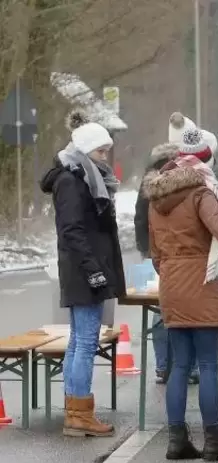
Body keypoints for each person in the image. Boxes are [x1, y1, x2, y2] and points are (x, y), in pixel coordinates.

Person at [144, 128, 218, 461]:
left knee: (179, 364)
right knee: (208, 364)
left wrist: (172, 272)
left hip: (171, 285)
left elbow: (154, 254)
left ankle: (177, 440)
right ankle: (213, 440)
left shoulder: (156, 198)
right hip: (201, 282)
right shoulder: (201, 191)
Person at [40, 110, 126, 437]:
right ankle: (79, 412)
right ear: (85, 150)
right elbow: (72, 231)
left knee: (80, 341)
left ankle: (76, 409)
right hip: (84, 271)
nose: (105, 157)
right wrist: (94, 271)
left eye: (107, 150)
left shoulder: (83, 176)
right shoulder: (72, 181)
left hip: (86, 269)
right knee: (85, 342)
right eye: (101, 151)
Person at [169, 112, 218, 363]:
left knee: (178, 363)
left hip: (172, 273)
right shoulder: (208, 183)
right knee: (208, 365)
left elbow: (153, 232)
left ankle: (163, 364)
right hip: (203, 268)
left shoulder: (162, 182)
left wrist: (162, 265)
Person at [134, 143, 200, 384]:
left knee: (160, 309)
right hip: (183, 255)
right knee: (190, 311)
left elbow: (140, 218)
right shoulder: (187, 179)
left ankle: (163, 365)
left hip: (157, 253)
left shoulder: (148, 181)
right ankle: (190, 367)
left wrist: (146, 250)